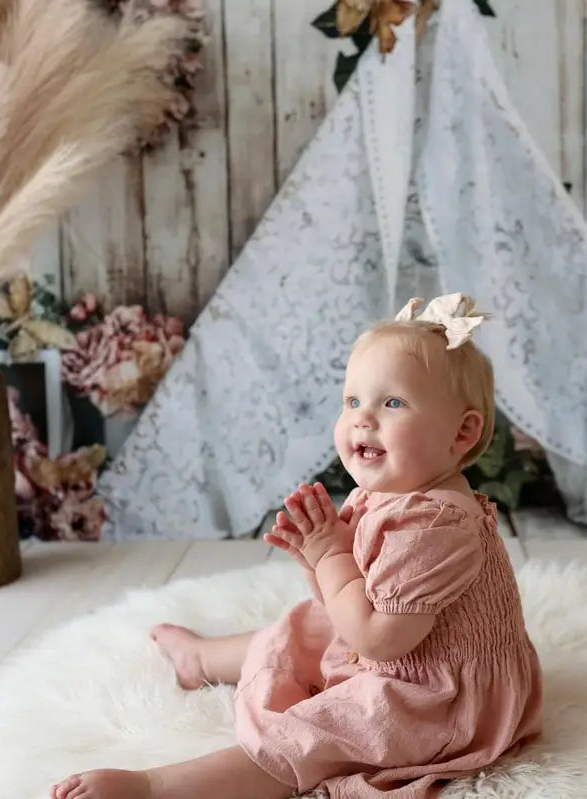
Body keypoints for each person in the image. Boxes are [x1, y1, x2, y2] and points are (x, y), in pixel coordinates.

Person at [50, 293, 543, 799]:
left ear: (462, 433)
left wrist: (331, 555)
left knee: (311, 736)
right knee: (303, 626)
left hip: (436, 700)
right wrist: (317, 559)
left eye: (392, 402)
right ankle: (201, 660)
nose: (362, 419)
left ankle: (155, 786)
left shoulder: (438, 524)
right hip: (402, 644)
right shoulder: (388, 495)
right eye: (353, 401)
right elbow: (347, 598)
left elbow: (378, 640)